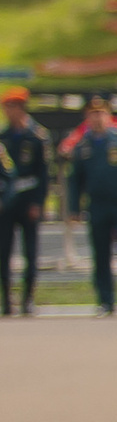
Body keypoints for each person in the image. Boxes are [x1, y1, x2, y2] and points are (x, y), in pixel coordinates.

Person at [63, 96, 117, 315]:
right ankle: (105, 300)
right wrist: (74, 207)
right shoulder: (84, 145)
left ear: (108, 115)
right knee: (100, 253)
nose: (97, 118)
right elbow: (75, 180)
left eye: (101, 113)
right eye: (93, 114)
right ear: (87, 118)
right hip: (98, 204)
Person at [1, 87, 50, 315]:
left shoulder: (37, 137)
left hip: (28, 199)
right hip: (6, 203)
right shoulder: (4, 138)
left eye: (11, 107)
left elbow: (43, 174)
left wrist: (38, 202)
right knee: (4, 252)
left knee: (30, 252)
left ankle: (28, 299)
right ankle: (7, 300)